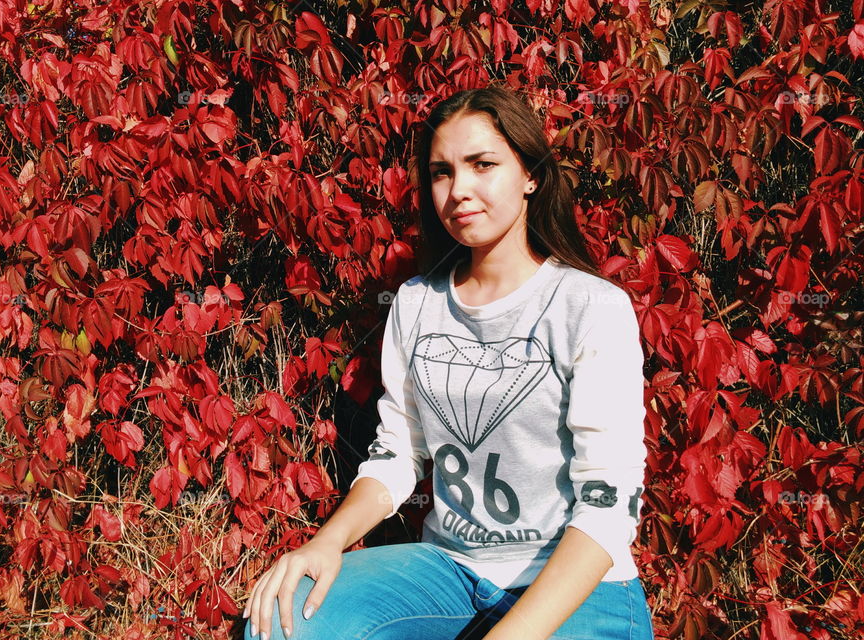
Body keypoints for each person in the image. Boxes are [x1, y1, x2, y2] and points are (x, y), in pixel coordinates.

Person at [241, 85, 655, 640]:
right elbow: (398, 453)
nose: (459, 190)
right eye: (442, 172)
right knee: (285, 618)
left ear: (531, 174)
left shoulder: (590, 308)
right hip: (453, 571)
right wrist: (325, 543)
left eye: (483, 164)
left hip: (575, 587)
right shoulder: (416, 302)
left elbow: (607, 506)